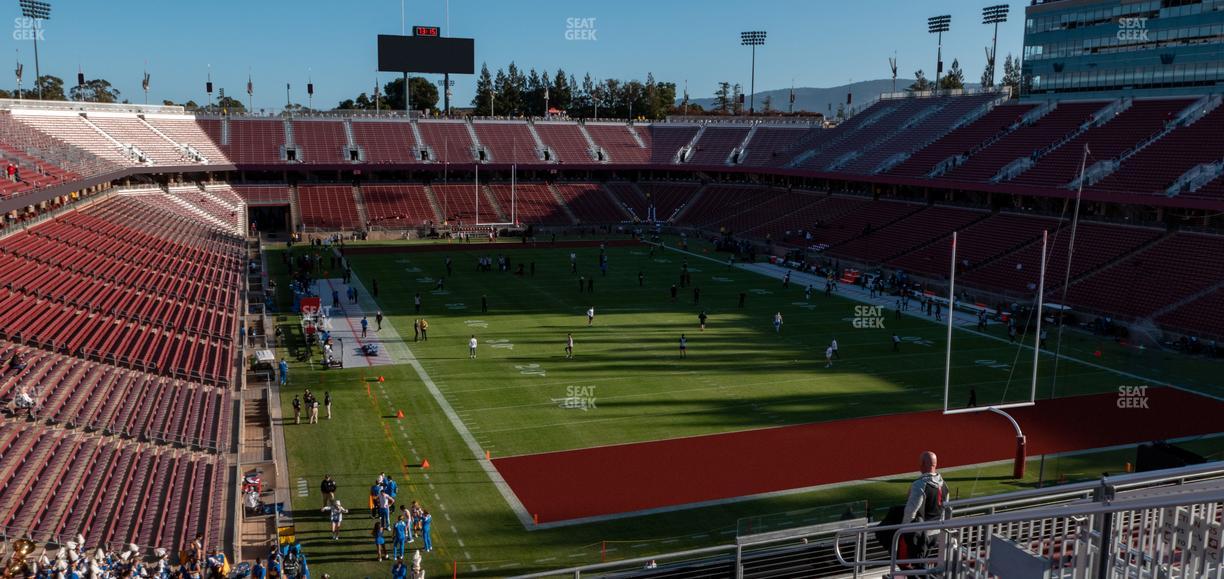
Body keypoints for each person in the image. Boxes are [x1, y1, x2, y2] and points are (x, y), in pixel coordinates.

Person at [901, 452, 950, 564]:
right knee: (923, 563)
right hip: (937, 533)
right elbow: (947, 511)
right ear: (935, 464)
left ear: (922, 464)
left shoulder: (919, 485)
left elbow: (910, 512)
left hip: (922, 535)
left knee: (916, 566)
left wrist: (902, 530)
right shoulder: (944, 485)